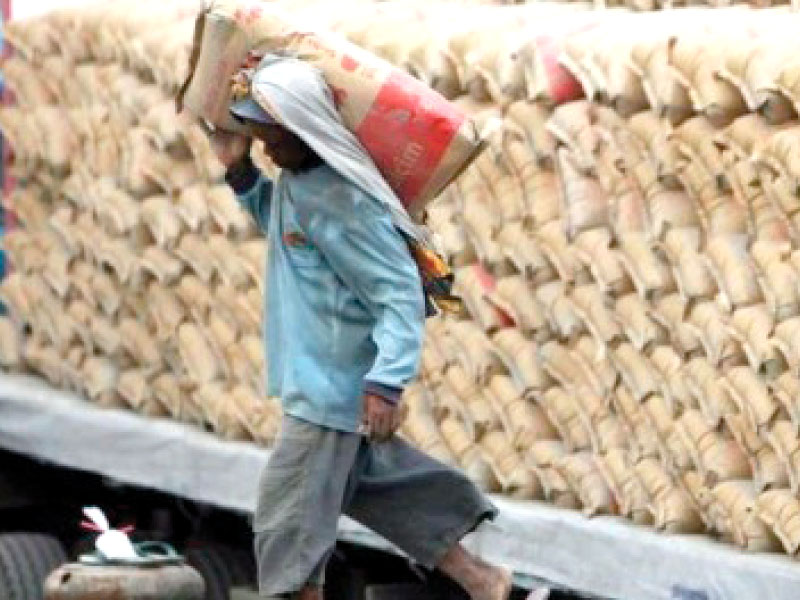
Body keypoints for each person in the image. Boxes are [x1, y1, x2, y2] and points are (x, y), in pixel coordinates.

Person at [211, 55, 516, 600]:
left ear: (304, 128)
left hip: (332, 392)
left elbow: (397, 291)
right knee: (380, 493)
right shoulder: (299, 184)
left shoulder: (342, 198)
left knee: (287, 528)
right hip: (323, 385)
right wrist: (240, 174)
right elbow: (287, 235)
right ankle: (483, 583)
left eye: (271, 136)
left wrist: (386, 382)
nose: (265, 148)